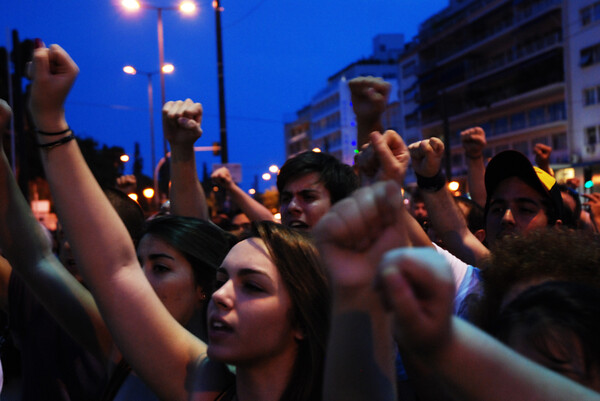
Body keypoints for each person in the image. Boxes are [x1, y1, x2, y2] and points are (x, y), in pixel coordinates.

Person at [29, 42, 329, 401]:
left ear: (301, 319)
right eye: (221, 280)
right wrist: (50, 119)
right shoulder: (205, 387)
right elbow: (114, 268)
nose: (220, 296)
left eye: (252, 286)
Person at [0, 99, 233, 399]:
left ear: (206, 286)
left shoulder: (225, 375)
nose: (139, 279)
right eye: (137, 264)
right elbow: (34, 256)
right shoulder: (121, 347)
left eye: (160, 268)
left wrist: (51, 120)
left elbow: (193, 237)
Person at [314, 179, 600, 401]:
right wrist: (352, 291)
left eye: (555, 367)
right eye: (497, 208)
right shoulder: (483, 284)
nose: (508, 219)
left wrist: (445, 345)